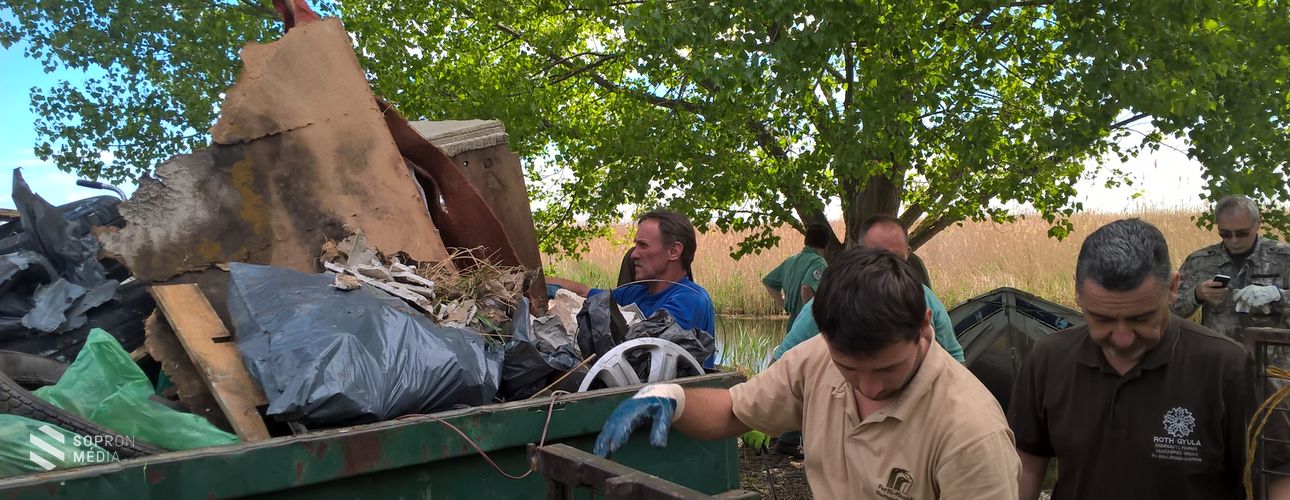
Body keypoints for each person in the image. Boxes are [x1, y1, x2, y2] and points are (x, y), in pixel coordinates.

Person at [594, 247, 1020, 499]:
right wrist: (671, 398)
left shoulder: (971, 433)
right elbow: (734, 411)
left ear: (924, 325)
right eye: (849, 368)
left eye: (888, 368)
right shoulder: (815, 357)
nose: (869, 387)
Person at [1009, 218, 1257, 500]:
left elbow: (1275, 475)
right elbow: (1026, 464)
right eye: (1102, 319)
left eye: (1141, 318)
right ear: (1078, 293)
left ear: (1173, 288)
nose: (1122, 338)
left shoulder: (1226, 366)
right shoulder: (1049, 358)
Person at [772, 215, 964, 363]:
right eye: (876, 257)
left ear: (908, 253)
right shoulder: (829, 304)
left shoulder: (927, 300)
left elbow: (956, 361)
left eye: (896, 258)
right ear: (860, 254)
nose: (887, 267)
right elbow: (779, 365)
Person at [546, 209, 717, 367]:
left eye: (643, 245)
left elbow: (641, 354)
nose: (634, 254)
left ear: (673, 251)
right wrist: (538, 282)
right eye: (636, 245)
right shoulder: (635, 292)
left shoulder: (690, 300)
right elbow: (584, 292)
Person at [1172, 195, 1290, 343]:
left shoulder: (1284, 257)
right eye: (1225, 234)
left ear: (1257, 223)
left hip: (1271, 355)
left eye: (1242, 233)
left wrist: (1278, 296)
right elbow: (1167, 309)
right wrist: (1196, 295)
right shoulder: (1200, 261)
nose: (1234, 240)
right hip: (1219, 354)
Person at [762, 222, 830, 331]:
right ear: (826, 244)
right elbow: (806, 288)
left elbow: (768, 282)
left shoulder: (790, 260)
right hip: (806, 326)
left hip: (792, 322)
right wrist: (811, 319)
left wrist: (784, 304)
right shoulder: (818, 262)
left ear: (806, 240)